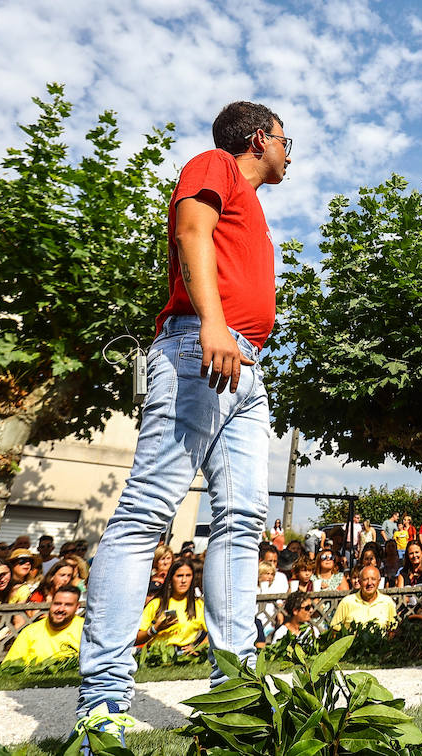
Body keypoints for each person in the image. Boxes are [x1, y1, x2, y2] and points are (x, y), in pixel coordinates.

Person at [78, 101, 291, 734]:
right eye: (287, 139)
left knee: (243, 521)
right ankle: (104, 703)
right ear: (259, 138)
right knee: (147, 511)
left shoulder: (254, 207)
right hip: (201, 348)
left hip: (245, 368)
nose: (291, 152)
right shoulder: (215, 164)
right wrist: (213, 322)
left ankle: (235, 689)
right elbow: (191, 232)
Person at [137, 561, 206, 655]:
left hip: (184, 654)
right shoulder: (156, 604)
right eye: (179, 576)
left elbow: (214, 634)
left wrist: (197, 648)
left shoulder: (199, 605)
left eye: (188, 575)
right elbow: (136, 639)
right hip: (156, 654)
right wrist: (155, 629)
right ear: (170, 579)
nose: (184, 580)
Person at [4, 586, 84, 665]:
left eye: (68, 605)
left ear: (77, 607)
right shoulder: (30, 631)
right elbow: (9, 665)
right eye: (57, 604)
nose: (61, 609)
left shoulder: (85, 629)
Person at [330, 565, 396, 631]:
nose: (369, 583)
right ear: (360, 581)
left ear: (379, 581)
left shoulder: (387, 602)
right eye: (365, 579)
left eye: (373, 579)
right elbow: (334, 630)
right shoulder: (347, 602)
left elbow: (393, 631)